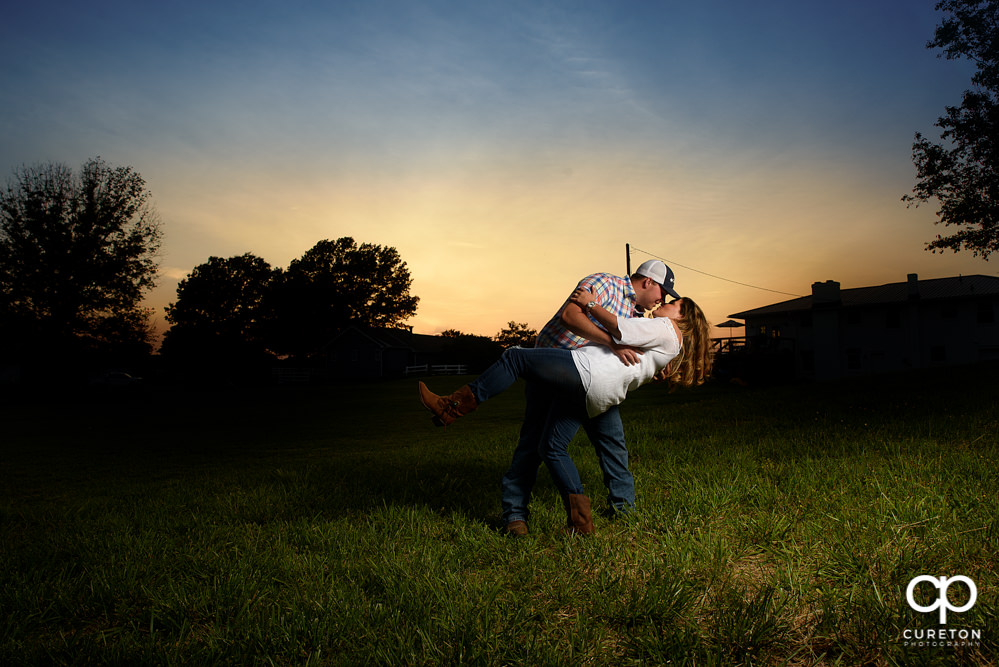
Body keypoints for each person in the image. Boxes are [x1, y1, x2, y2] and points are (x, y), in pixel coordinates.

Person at [418, 286, 713, 534]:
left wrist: (590, 304)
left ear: (682, 316)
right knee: (552, 447)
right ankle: (581, 523)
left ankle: (451, 407)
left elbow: (621, 328)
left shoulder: (666, 327)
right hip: (600, 395)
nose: (666, 304)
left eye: (674, 304)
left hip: (587, 372)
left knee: (515, 358)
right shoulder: (672, 347)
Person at [502, 259, 676, 536]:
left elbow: (633, 347)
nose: (660, 300)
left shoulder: (636, 316)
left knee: (612, 444)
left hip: (594, 381)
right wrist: (611, 342)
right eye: (662, 293)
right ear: (648, 282)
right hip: (551, 375)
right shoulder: (603, 283)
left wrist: (654, 366)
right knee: (533, 443)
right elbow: (570, 317)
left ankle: (623, 509)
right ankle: (515, 515)